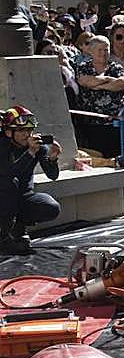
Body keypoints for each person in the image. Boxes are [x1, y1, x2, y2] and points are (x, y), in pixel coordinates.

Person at [0, 106, 61, 254]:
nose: (26, 135)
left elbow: (52, 175)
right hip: (3, 195)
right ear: (9, 132)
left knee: (51, 207)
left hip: (22, 196)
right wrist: (30, 153)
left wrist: (53, 158)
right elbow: (9, 174)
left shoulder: (37, 147)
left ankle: (18, 228)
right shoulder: (2, 146)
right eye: (21, 131)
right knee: (10, 184)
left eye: (29, 130)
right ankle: (3, 235)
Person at [73, 35, 124, 158]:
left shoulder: (115, 67)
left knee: (117, 157)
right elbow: (85, 81)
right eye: (100, 50)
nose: (104, 53)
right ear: (91, 51)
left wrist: (99, 85)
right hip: (92, 124)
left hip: (115, 123)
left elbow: (123, 83)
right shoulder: (84, 67)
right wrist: (109, 81)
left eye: (106, 49)